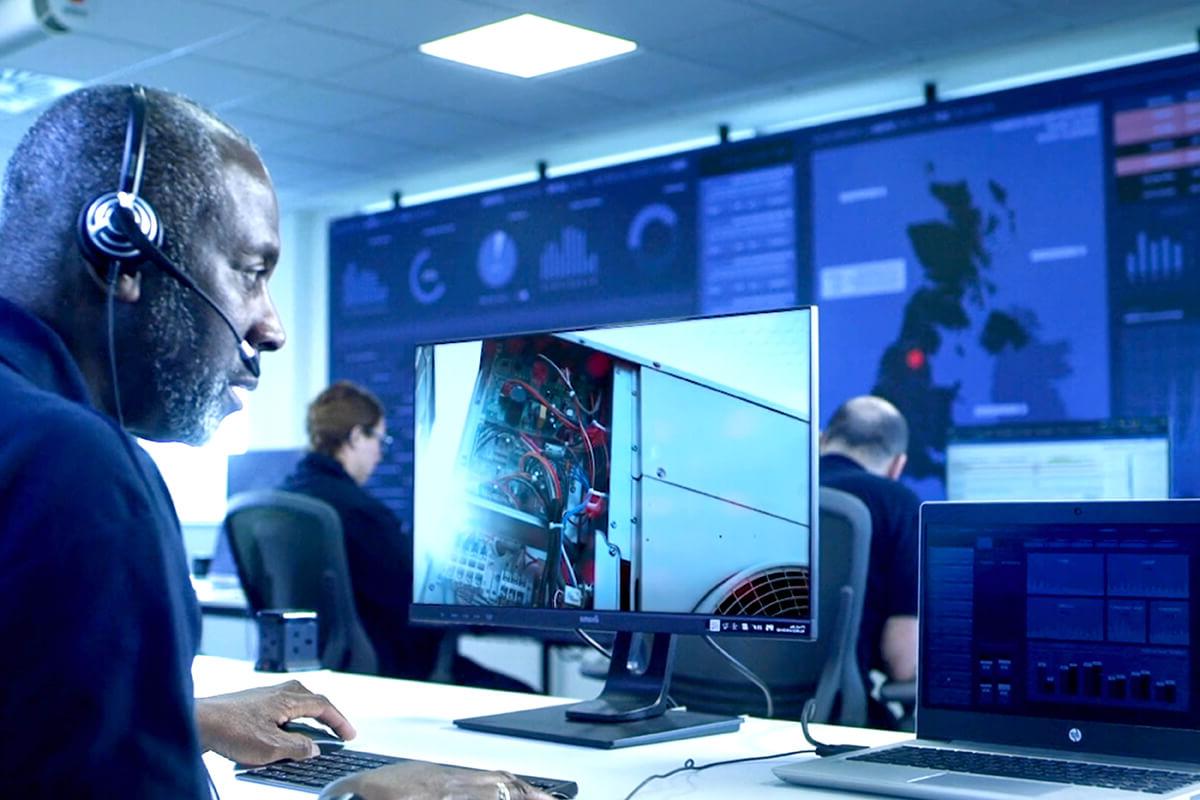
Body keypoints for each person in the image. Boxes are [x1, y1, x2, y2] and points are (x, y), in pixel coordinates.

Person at [0, 84, 548, 799]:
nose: (271, 327)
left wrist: (169, 715)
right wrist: (359, 795)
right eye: (253, 273)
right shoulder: (74, 469)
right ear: (122, 251)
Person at [282, 380, 533, 692]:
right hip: (390, 671)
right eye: (379, 440)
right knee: (526, 695)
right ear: (357, 436)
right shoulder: (360, 513)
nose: (380, 455)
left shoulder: (284, 500)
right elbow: (414, 598)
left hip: (317, 671)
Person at [818, 395, 919, 727]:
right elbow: (903, 661)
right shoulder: (899, 504)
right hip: (832, 720)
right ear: (897, 466)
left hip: (726, 715)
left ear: (822, 440)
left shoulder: (769, 490)